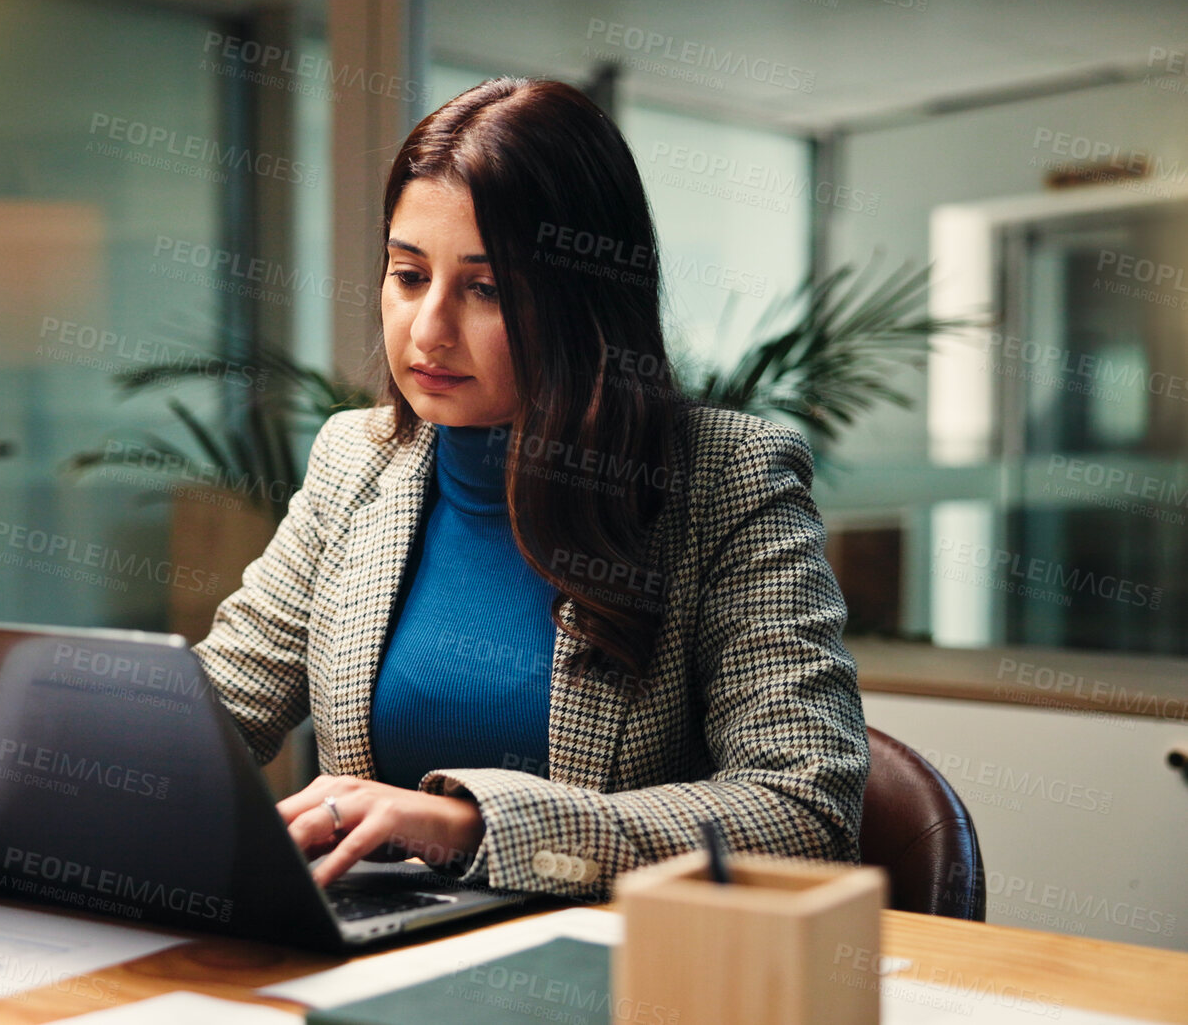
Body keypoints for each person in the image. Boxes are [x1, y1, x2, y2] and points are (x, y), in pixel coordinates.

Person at [191, 77, 870, 898]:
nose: (428, 329)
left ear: (583, 303)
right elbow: (219, 711)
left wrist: (471, 825)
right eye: (408, 275)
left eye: (486, 290)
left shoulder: (726, 479)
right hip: (379, 956)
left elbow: (804, 809)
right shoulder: (355, 458)